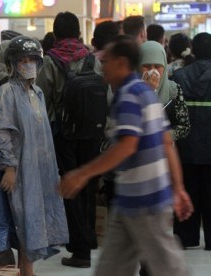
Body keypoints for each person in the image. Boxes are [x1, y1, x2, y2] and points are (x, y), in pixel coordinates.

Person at [60, 35, 193, 276]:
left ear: (121, 63)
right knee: (111, 268)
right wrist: (178, 187)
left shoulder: (130, 95)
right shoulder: (145, 93)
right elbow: (165, 143)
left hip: (146, 201)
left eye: (107, 61)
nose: (103, 66)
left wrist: (83, 174)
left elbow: (127, 146)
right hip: (130, 200)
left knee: (169, 268)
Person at [0, 36, 68, 276]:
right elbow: (0, 131)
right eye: (22, 60)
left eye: (31, 60)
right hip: (19, 171)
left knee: (35, 219)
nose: (27, 64)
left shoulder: (37, 93)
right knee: (23, 220)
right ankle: (25, 271)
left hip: (40, 171)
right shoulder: (7, 92)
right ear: (12, 64)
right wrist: (9, 167)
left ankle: (25, 270)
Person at [36, 11, 104, 268]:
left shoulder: (51, 61)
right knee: (88, 184)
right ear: (77, 33)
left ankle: (80, 250)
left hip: (65, 134)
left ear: (55, 34)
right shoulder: (90, 58)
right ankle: (89, 239)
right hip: (92, 132)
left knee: (70, 187)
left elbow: (42, 99)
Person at [172, 32, 211, 251]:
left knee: (188, 190)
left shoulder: (179, 76)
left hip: (186, 147)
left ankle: (186, 237)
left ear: (193, 50)